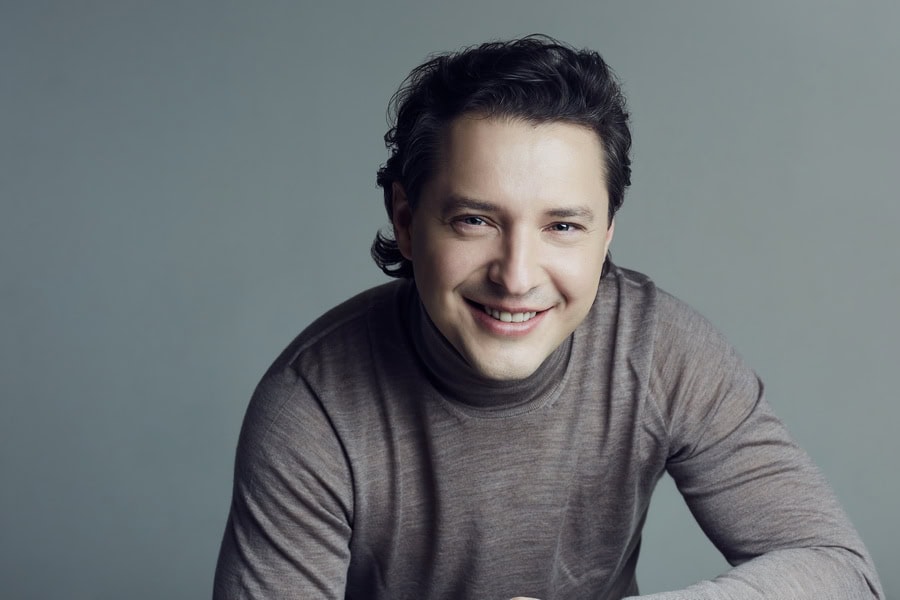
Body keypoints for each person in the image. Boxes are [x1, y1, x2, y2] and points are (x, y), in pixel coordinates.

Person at [213, 35, 883, 599]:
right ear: (408, 221)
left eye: (562, 226)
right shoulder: (313, 403)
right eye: (475, 220)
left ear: (607, 235)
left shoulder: (661, 350)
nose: (517, 276)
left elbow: (841, 572)